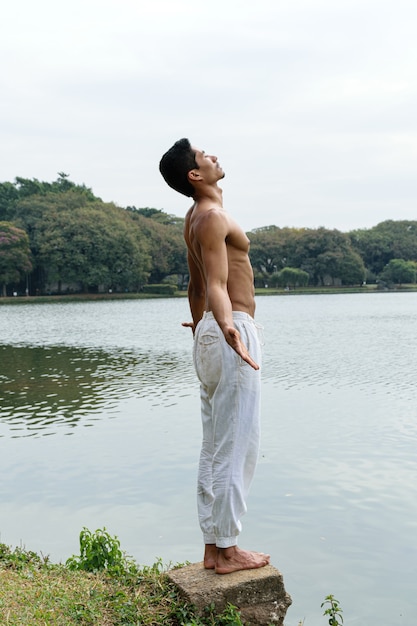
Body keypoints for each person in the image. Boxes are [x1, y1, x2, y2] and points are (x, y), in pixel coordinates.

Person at [159, 138, 270, 575]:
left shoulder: (194, 218)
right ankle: (227, 551)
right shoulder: (213, 216)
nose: (214, 156)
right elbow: (218, 286)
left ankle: (214, 547)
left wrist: (203, 327)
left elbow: (196, 286)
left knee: (214, 446)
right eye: (206, 155)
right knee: (237, 445)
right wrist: (225, 327)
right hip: (231, 329)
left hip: (210, 330)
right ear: (195, 174)